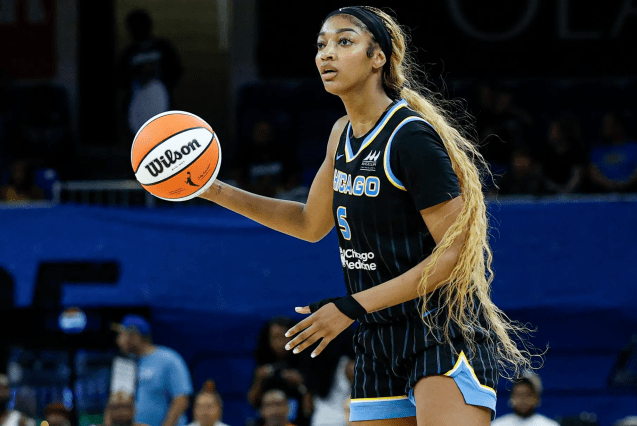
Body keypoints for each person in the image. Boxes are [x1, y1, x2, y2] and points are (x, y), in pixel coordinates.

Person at [198, 6, 533, 425]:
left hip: (440, 328)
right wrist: (212, 188)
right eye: (321, 44)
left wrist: (351, 307)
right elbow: (309, 224)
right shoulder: (340, 134)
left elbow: (453, 257)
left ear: (378, 57)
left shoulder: (409, 136)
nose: (326, 53)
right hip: (378, 335)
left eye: (344, 42)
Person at [115, 314, 192, 426]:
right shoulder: (127, 363)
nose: (118, 341)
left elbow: (181, 399)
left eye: (122, 335)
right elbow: (116, 401)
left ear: (135, 336)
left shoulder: (168, 359)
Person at [116, 9, 183, 135]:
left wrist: (163, 85)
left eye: (140, 26)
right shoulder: (129, 53)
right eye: (133, 27)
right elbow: (120, 79)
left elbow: (176, 70)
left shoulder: (163, 48)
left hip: (160, 100)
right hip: (137, 102)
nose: (136, 30)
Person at [247, 317, 313, 426]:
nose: (279, 342)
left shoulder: (306, 361)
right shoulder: (262, 362)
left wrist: (301, 384)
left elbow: (310, 409)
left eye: (283, 337)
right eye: (275, 337)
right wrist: (259, 380)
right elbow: (252, 402)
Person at [588, 111, 637, 193]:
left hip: (632, 194)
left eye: (608, 125)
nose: (604, 128)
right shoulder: (598, 150)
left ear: (619, 126)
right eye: (604, 124)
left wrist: (624, 184)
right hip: (602, 195)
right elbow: (593, 172)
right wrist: (609, 184)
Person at [492, 373, 558, 426]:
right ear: (511, 397)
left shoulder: (550, 424)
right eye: (519, 394)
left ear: (537, 398)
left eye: (528, 395)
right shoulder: (497, 424)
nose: (522, 399)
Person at [539, 117, 585, 195]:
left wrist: (564, 193)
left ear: (563, 132)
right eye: (550, 130)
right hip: (549, 192)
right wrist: (553, 188)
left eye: (554, 130)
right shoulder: (546, 151)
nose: (550, 133)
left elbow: (576, 177)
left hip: (571, 193)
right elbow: (541, 176)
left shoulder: (576, 151)